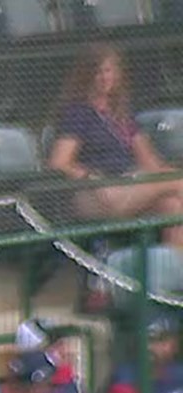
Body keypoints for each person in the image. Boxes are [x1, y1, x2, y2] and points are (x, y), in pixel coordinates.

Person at [47, 44, 183, 249]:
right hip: (96, 193)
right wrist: (89, 177)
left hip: (129, 185)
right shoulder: (79, 113)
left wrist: (159, 173)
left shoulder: (121, 116)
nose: (104, 77)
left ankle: (172, 271)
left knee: (172, 205)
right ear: (86, 75)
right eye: (97, 71)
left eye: (108, 70)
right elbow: (59, 162)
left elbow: (151, 165)